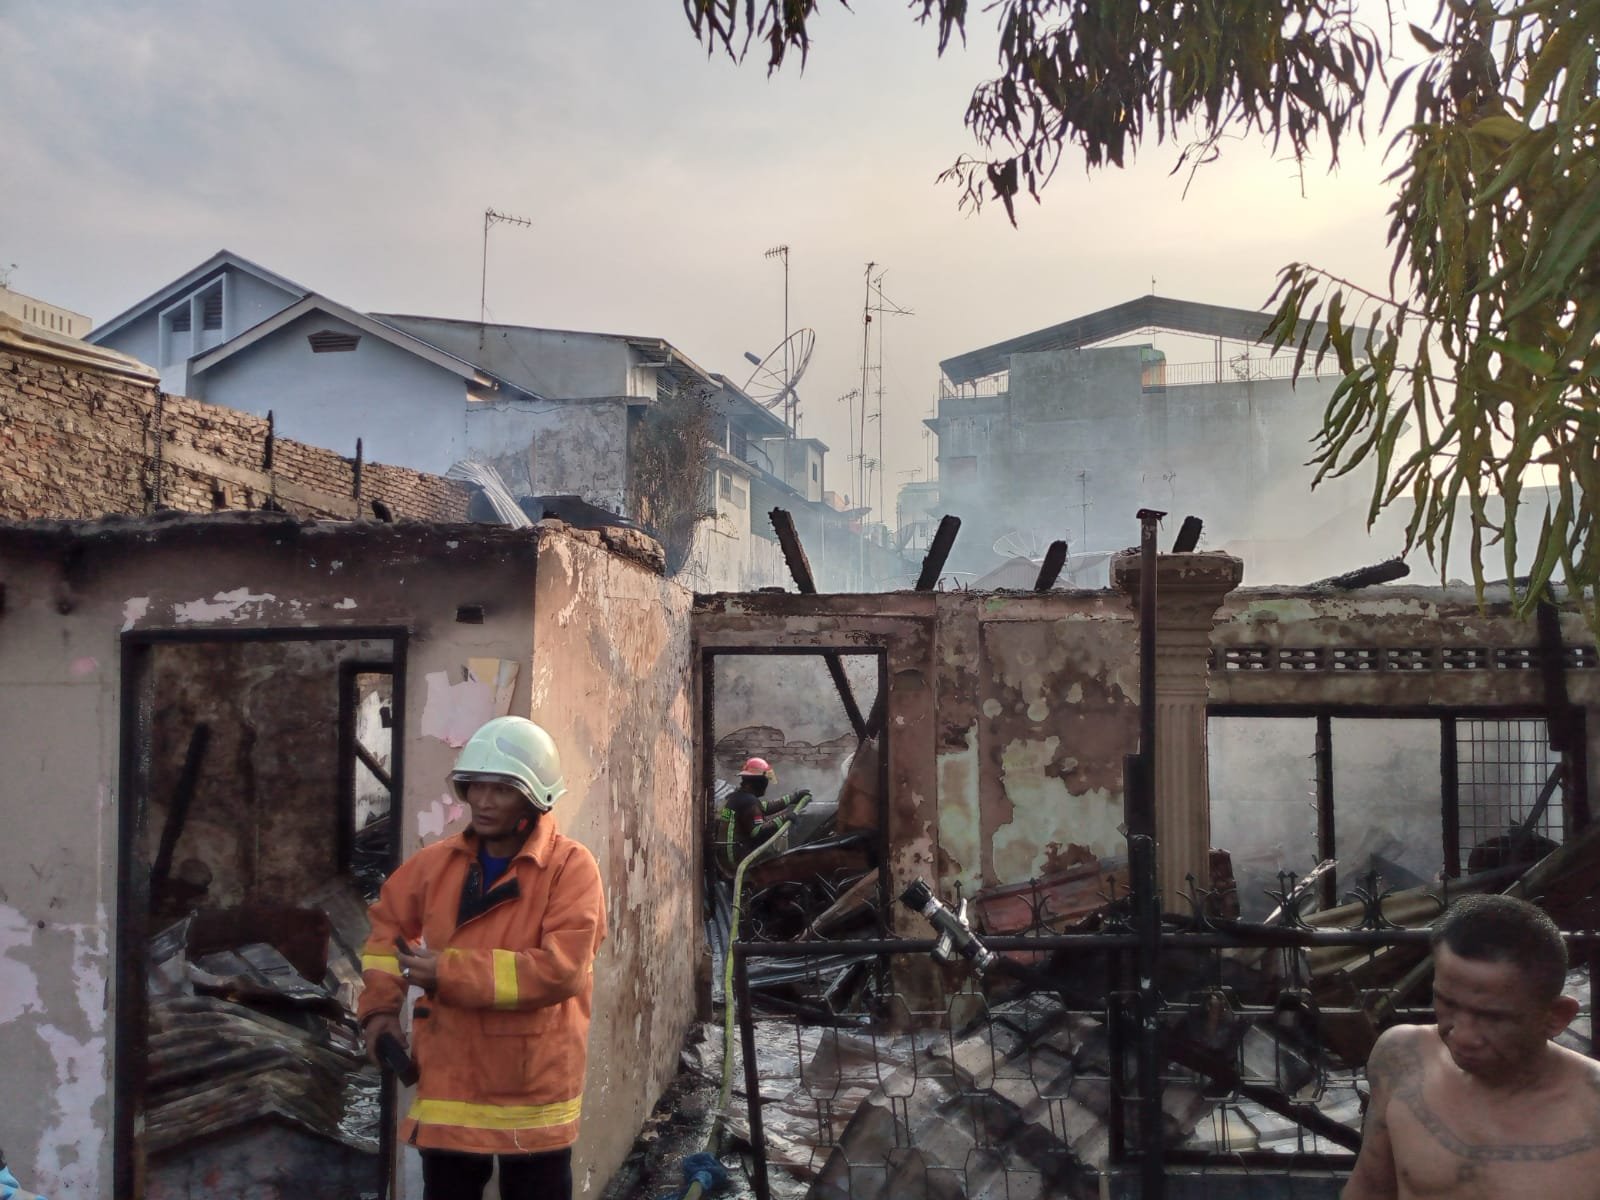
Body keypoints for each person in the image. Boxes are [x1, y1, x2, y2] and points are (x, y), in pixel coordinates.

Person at [358, 716, 607, 1200]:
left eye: (502, 790)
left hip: (532, 1091)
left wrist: (447, 971)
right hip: (450, 1089)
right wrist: (380, 1009)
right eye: (475, 787)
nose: (482, 802)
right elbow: (386, 929)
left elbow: (562, 970)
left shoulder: (571, 869)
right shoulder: (436, 865)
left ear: (535, 799)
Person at [1343, 893, 1600, 1199]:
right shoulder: (1402, 1057)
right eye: (1446, 1003)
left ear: (1557, 1016)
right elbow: (1368, 1189)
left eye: (1492, 1017)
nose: (1462, 1035)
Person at [713, 756, 810, 876]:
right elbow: (757, 832)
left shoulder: (737, 797)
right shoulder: (748, 802)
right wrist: (784, 818)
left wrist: (793, 797)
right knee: (783, 865)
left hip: (726, 858)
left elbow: (764, 807)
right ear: (758, 782)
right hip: (739, 861)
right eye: (765, 781)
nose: (766, 784)